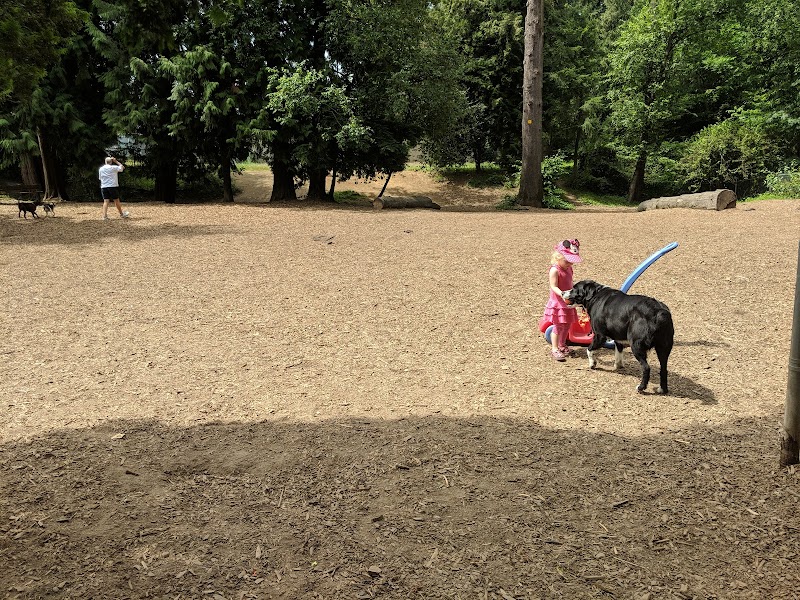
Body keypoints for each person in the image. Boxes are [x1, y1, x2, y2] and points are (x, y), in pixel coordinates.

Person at [542, 239, 582, 361]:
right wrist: (563, 294)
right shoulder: (555, 270)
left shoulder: (569, 268)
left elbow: (570, 282)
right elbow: (554, 286)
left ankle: (562, 344)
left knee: (567, 325)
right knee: (558, 326)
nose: (570, 264)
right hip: (558, 303)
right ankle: (554, 348)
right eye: (567, 261)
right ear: (558, 257)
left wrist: (574, 292)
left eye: (572, 262)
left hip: (568, 301)